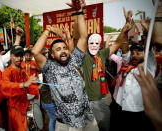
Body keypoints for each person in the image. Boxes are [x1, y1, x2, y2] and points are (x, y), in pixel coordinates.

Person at [32, 0, 99, 130]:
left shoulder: (75, 60)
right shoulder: (50, 68)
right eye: (58, 49)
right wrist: (47, 30)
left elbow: (83, 38)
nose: (62, 50)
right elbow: (35, 51)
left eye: (64, 48)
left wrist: (79, 12)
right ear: (52, 55)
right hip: (66, 124)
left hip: (88, 118)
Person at [80, 7, 134, 131]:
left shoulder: (102, 54)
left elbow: (117, 44)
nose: (94, 45)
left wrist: (125, 28)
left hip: (104, 99)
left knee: (106, 127)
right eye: (91, 43)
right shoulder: (84, 56)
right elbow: (81, 37)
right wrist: (80, 13)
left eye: (96, 43)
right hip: (90, 101)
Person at [0, 45, 40, 131]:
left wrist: (38, 88)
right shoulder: (7, 72)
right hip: (15, 109)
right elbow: (4, 86)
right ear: (11, 56)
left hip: (24, 106)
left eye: (21, 56)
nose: (19, 58)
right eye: (16, 56)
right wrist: (22, 85)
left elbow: (28, 86)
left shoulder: (22, 70)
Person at [40, 47, 56, 131]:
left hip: (46, 100)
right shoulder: (51, 66)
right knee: (54, 120)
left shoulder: (48, 64)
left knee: (52, 119)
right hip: (50, 100)